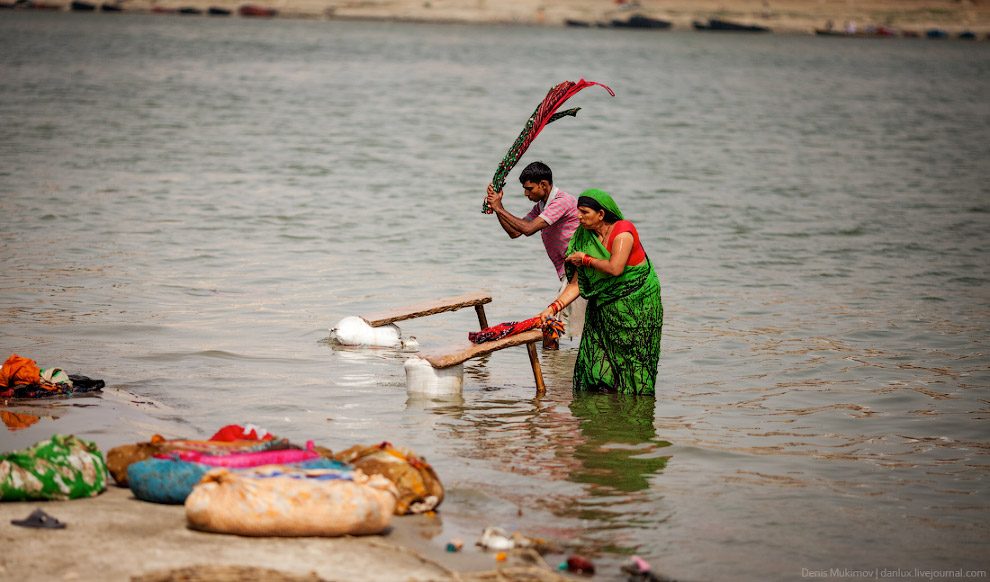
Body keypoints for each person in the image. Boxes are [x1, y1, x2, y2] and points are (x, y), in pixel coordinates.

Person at [539, 189, 662, 395]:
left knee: (635, 358)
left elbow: (615, 268)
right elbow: (576, 285)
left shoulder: (623, 231)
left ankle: (636, 403)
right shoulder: (583, 236)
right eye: (578, 211)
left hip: (637, 304)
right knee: (599, 362)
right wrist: (552, 308)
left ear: (601, 214)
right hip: (604, 307)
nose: (579, 217)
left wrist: (585, 259)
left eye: (585, 212)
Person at [486, 161, 586, 349]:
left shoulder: (561, 201)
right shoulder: (542, 206)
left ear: (544, 185)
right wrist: (498, 206)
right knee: (554, 327)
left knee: (550, 327)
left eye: (529, 189)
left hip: (579, 273)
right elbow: (515, 232)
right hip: (569, 273)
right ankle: (554, 371)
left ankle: (552, 373)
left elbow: (529, 229)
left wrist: (499, 208)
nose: (526, 193)